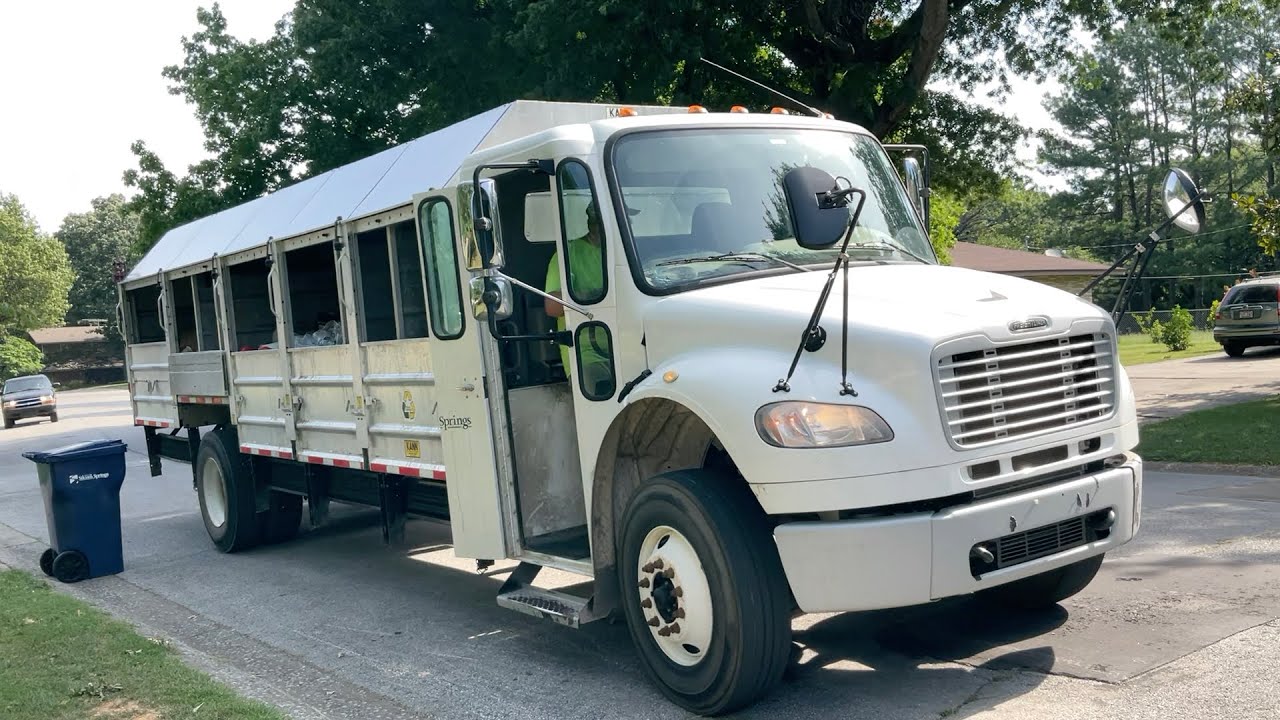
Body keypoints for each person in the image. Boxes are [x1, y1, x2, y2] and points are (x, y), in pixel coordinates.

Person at [545, 201, 611, 391]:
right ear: (593, 223)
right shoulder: (568, 254)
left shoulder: (618, 254)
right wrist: (594, 296)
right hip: (586, 355)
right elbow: (552, 306)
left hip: (625, 346)